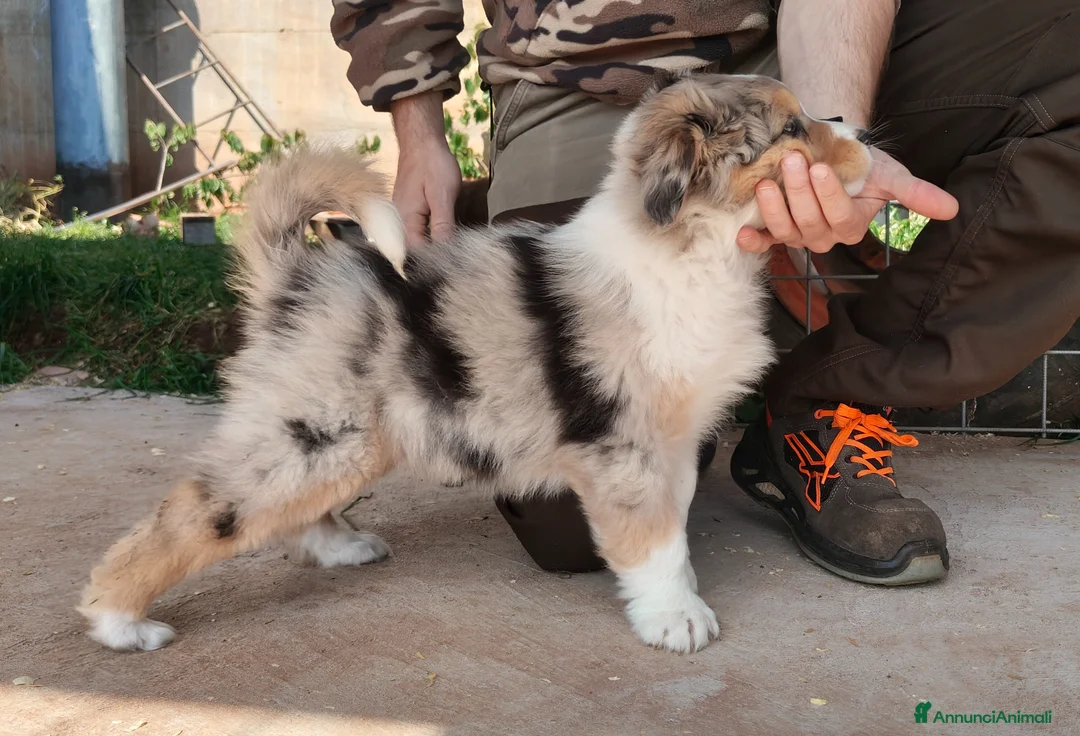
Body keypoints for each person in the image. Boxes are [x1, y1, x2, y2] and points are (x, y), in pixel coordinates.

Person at [332, 0, 1080, 584]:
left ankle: (826, 398)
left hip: (807, 39)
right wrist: (418, 126)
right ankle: (537, 233)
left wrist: (822, 136)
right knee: (576, 513)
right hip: (589, 66)